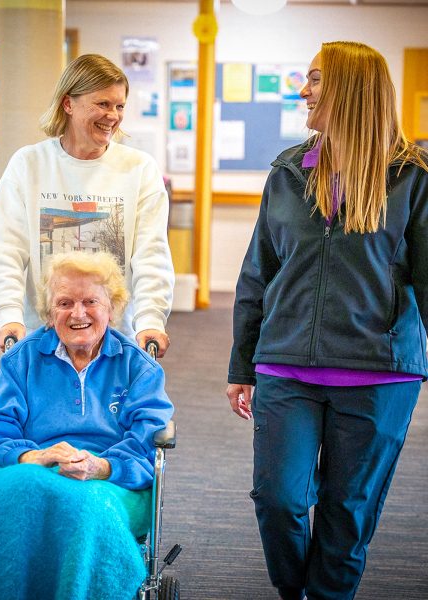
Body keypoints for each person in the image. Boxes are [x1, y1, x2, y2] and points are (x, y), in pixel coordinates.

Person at [226, 41, 428, 600]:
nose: (303, 91)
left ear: (350, 89)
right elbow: (256, 273)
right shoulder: (290, 171)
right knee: (278, 500)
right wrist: (243, 360)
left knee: (347, 516)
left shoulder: (412, 176)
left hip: (379, 372)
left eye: (314, 80)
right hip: (286, 364)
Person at [0, 251, 174, 600]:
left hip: (109, 479)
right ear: (48, 311)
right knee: (15, 492)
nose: (78, 313)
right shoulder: (21, 361)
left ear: (112, 308)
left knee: (87, 508)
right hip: (30, 467)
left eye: (91, 301)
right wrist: (35, 457)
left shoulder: (139, 368)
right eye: (65, 302)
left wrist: (100, 466)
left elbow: (146, 444)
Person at [0, 53, 174, 358]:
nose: (112, 115)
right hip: (43, 339)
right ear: (68, 104)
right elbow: (5, 251)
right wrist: (7, 315)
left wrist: (151, 319)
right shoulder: (29, 164)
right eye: (102, 104)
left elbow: (152, 255)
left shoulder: (140, 169)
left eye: (119, 105)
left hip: (116, 341)